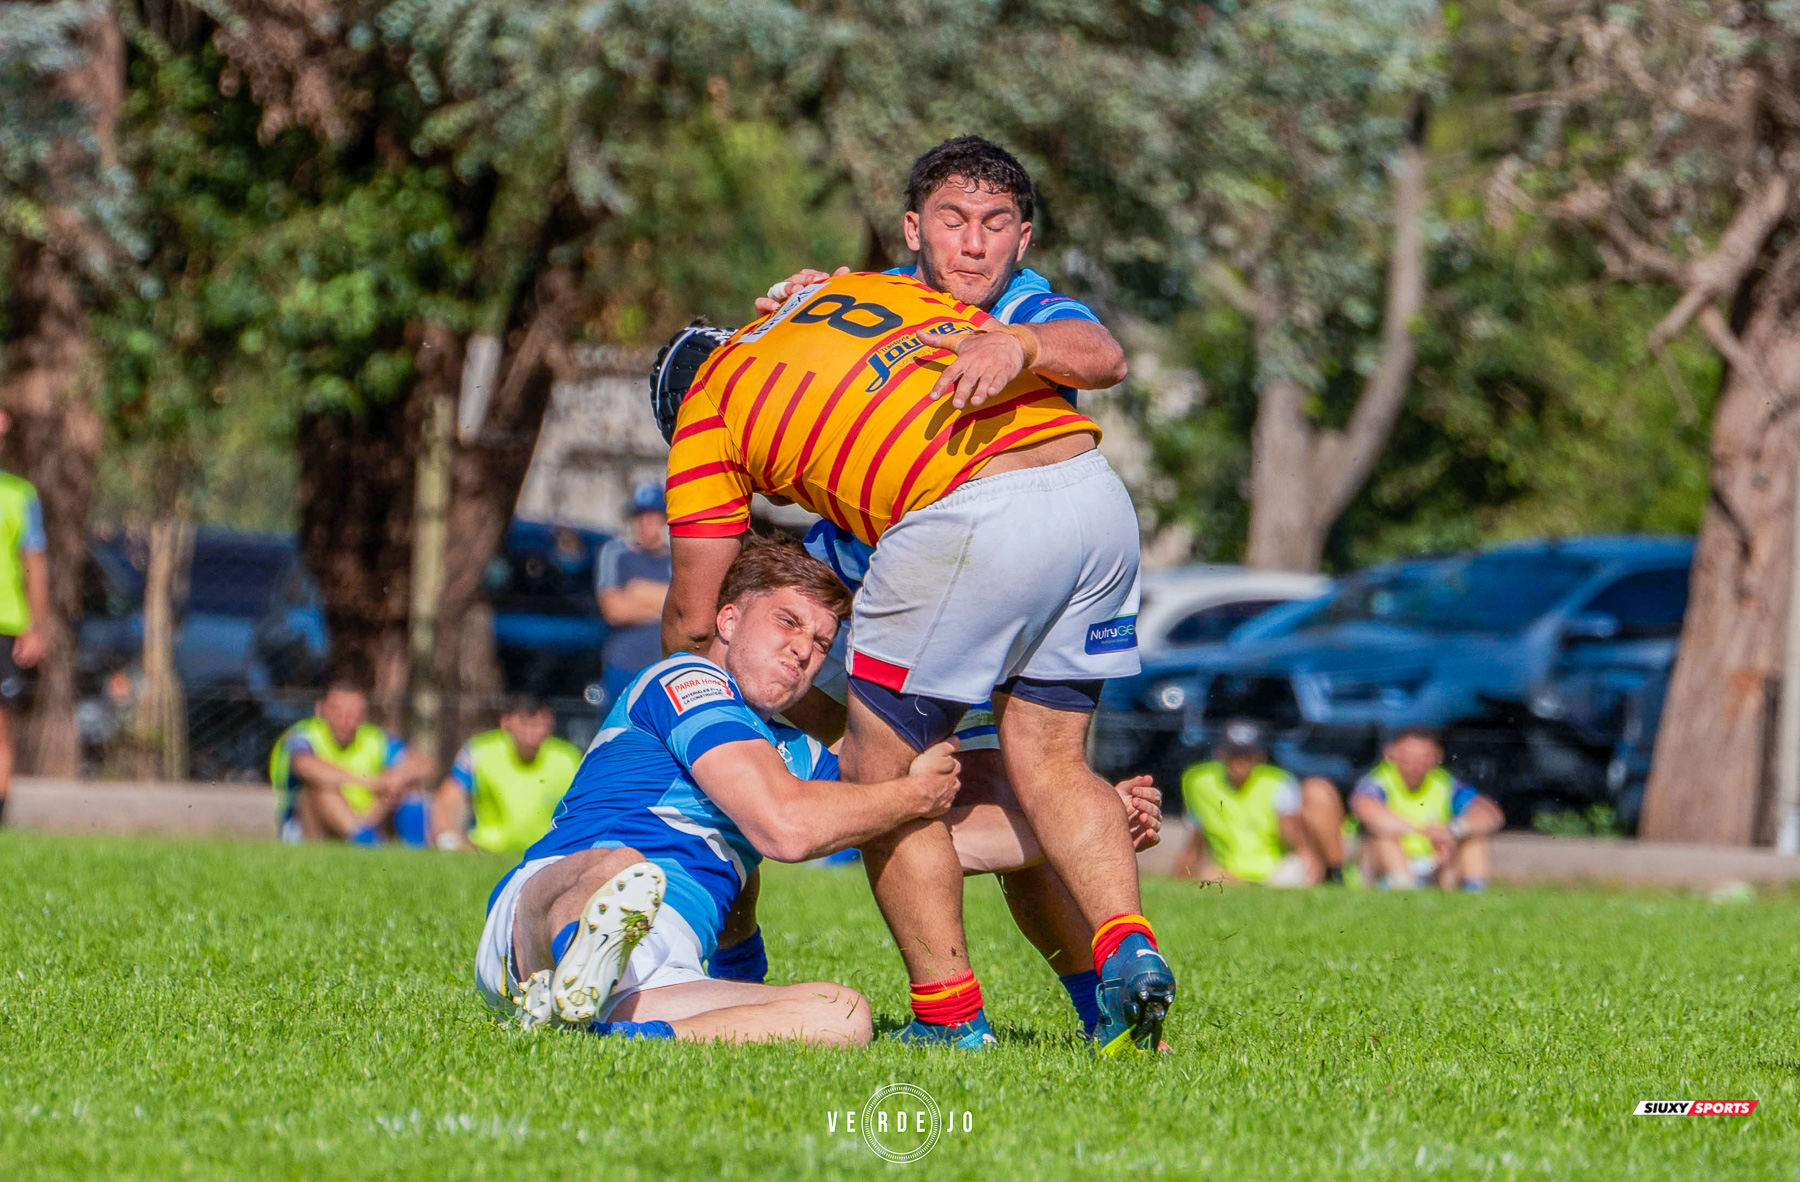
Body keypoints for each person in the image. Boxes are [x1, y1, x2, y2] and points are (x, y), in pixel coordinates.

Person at [657, 265, 1173, 1047]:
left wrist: (676, 706)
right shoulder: (848, 301)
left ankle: (950, 1019)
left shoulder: (711, 408)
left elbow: (697, 626)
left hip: (969, 513)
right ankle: (1123, 959)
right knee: (1051, 768)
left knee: (882, 773)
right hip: (1092, 494)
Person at [475, 536, 961, 1045]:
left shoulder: (804, 757)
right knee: (620, 869)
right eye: (788, 621)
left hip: (664, 966)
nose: (804, 649)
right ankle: (570, 964)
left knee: (842, 1013)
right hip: (546, 913)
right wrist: (915, 794)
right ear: (727, 622)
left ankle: (607, 1030)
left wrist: (1031, 819)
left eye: (822, 643)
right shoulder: (685, 680)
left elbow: (924, 836)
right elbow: (787, 829)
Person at [1175, 719, 1345, 887]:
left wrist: (1306, 856)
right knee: (1209, 876)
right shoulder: (1200, 782)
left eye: (1245, 755)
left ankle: (1334, 876)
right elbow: (1196, 838)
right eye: (1234, 754)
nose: (1239, 762)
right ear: (1220, 754)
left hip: (1275, 869)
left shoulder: (1276, 781)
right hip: (1229, 871)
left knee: (1293, 873)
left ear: (1259, 756)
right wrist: (1181, 876)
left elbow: (1291, 830)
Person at [269, 679, 433, 846]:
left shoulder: (373, 739)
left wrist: (396, 777)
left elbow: (424, 764)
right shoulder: (303, 735)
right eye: (338, 712)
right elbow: (303, 765)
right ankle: (365, 841)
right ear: (320, 710)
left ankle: (416, 849)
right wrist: (374, 782)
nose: (346, 720)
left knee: (408, 786)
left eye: (354, 714)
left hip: (368, 817)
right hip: (313, 827)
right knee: (322, 787)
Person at [1349, 726, 1505, 891]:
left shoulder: (1445, 784)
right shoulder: (1379, 781)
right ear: (1390, 753)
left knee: (1474, 837)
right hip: (1394, 858)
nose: (1415, 765)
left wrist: (1452, 830)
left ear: (1437, 757)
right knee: (1381, 836)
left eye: (1423, 758)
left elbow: (1490, 814)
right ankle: (1402, 884)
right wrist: (1424, 832)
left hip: (1437, 861)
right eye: (1408, 757)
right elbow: (1365, 808)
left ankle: (1474, 892)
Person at [430, 696, 582, 856]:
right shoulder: (479, 751)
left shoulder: (569, 758)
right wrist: (448, 841)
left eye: (540, 724)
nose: (532, 732)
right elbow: (448, 800)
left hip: (546, 856)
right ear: (506, 722)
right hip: (485, 854)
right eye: (525, 723)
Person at [0, 410, 47, 828]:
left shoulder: (19, 494)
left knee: (0, 723)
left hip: (6, 623)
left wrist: (36, 625)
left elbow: (34, 561)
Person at [595, 482, 673, 707]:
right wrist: (663, 604)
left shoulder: (674, 560)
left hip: (662, 666)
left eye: (653, 515)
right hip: (624, 665)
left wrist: (638, 592)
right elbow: (614, 610)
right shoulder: (616, 553)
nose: (646, 523)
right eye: (641, 516)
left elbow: (684, 606)